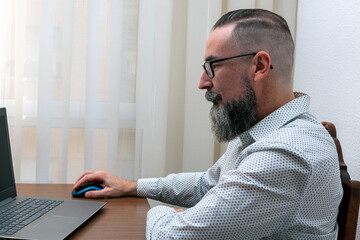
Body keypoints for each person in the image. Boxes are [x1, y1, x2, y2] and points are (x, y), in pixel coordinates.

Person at [74, 9, 343, 239]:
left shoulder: (286, 153)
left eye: (213, 66)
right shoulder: (265, 129)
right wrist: (133, 187)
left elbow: (172, 236)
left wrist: (172, 214)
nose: (202, 82)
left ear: (260, 66)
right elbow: (206, 184)